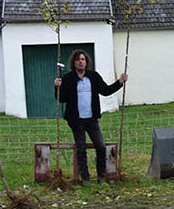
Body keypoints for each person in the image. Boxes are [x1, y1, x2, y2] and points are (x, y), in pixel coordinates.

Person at [54, 50, 127, 184]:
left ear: (86, 62)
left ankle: (101, 176)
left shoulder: (93, 76)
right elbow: (62, 98)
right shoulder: (68, 78)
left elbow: (105, 91)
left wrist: (120, 82)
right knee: (81, 148)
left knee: (101, 146)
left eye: (83, 59)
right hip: (76, 120)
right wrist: (57, 87)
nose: (81, 62)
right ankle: (85, 177)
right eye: (78, 60)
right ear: (74, 62)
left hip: (91, 119)